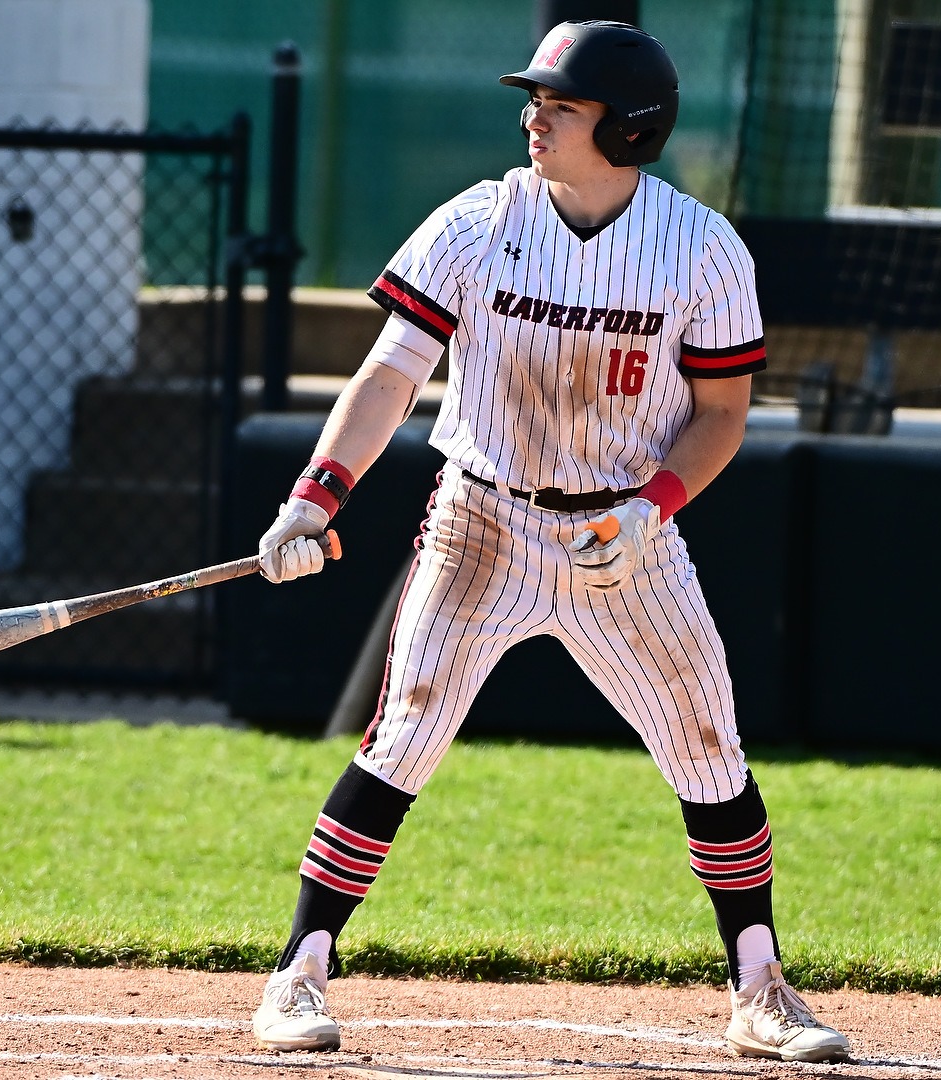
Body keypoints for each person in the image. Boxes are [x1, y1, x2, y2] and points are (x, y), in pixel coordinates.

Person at [246, 20, 851, 1064]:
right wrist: (317, 495)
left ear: (627, 129)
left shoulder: (703, 247)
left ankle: (761, 986)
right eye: (536, 100)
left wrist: (652, 506)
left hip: (624, 534)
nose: (534, 116)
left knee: (708, 747)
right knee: (405, 735)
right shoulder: (479, 222)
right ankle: (299, 971)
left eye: (559, 105)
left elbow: (721, 415)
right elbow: (392, 374)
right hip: (484, 517)